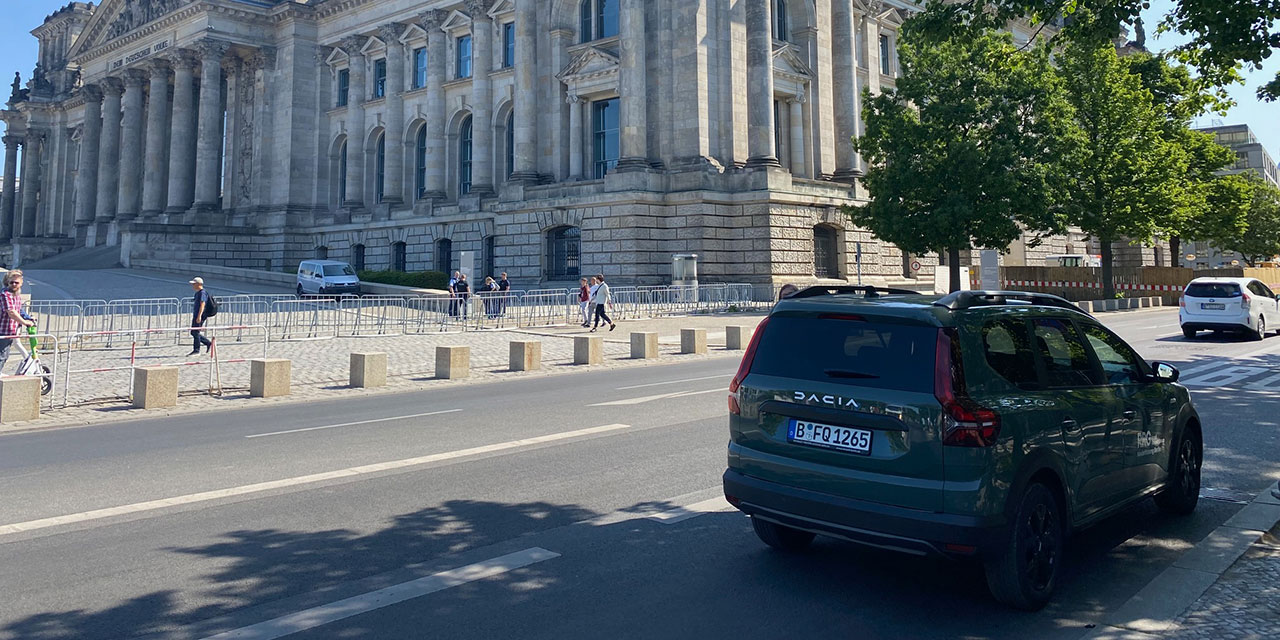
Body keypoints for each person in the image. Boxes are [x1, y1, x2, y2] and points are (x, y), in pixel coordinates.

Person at [0, 270, 36, 374]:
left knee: (4, 355)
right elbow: (11, 312)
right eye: (12, 282)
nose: (14, 284)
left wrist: (29, 318)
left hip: (11, 331)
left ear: (21, 283)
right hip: (3, 330)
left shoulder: (16, 295)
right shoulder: (5, 294)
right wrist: (25, 322)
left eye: (16, 282)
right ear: (8, 282)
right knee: (2, 356)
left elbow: (19, 310)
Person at [188, 276, 213, 356]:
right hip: (196, 315)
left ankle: (196, 350)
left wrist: (199, 316)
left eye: (194, 284)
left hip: (200, 315)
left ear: (198, 284)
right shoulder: (198, 293)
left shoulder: (202, 293)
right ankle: (208, 343)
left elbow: (202, 304)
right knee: (194, 332)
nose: (193, 286)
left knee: (196, 332)